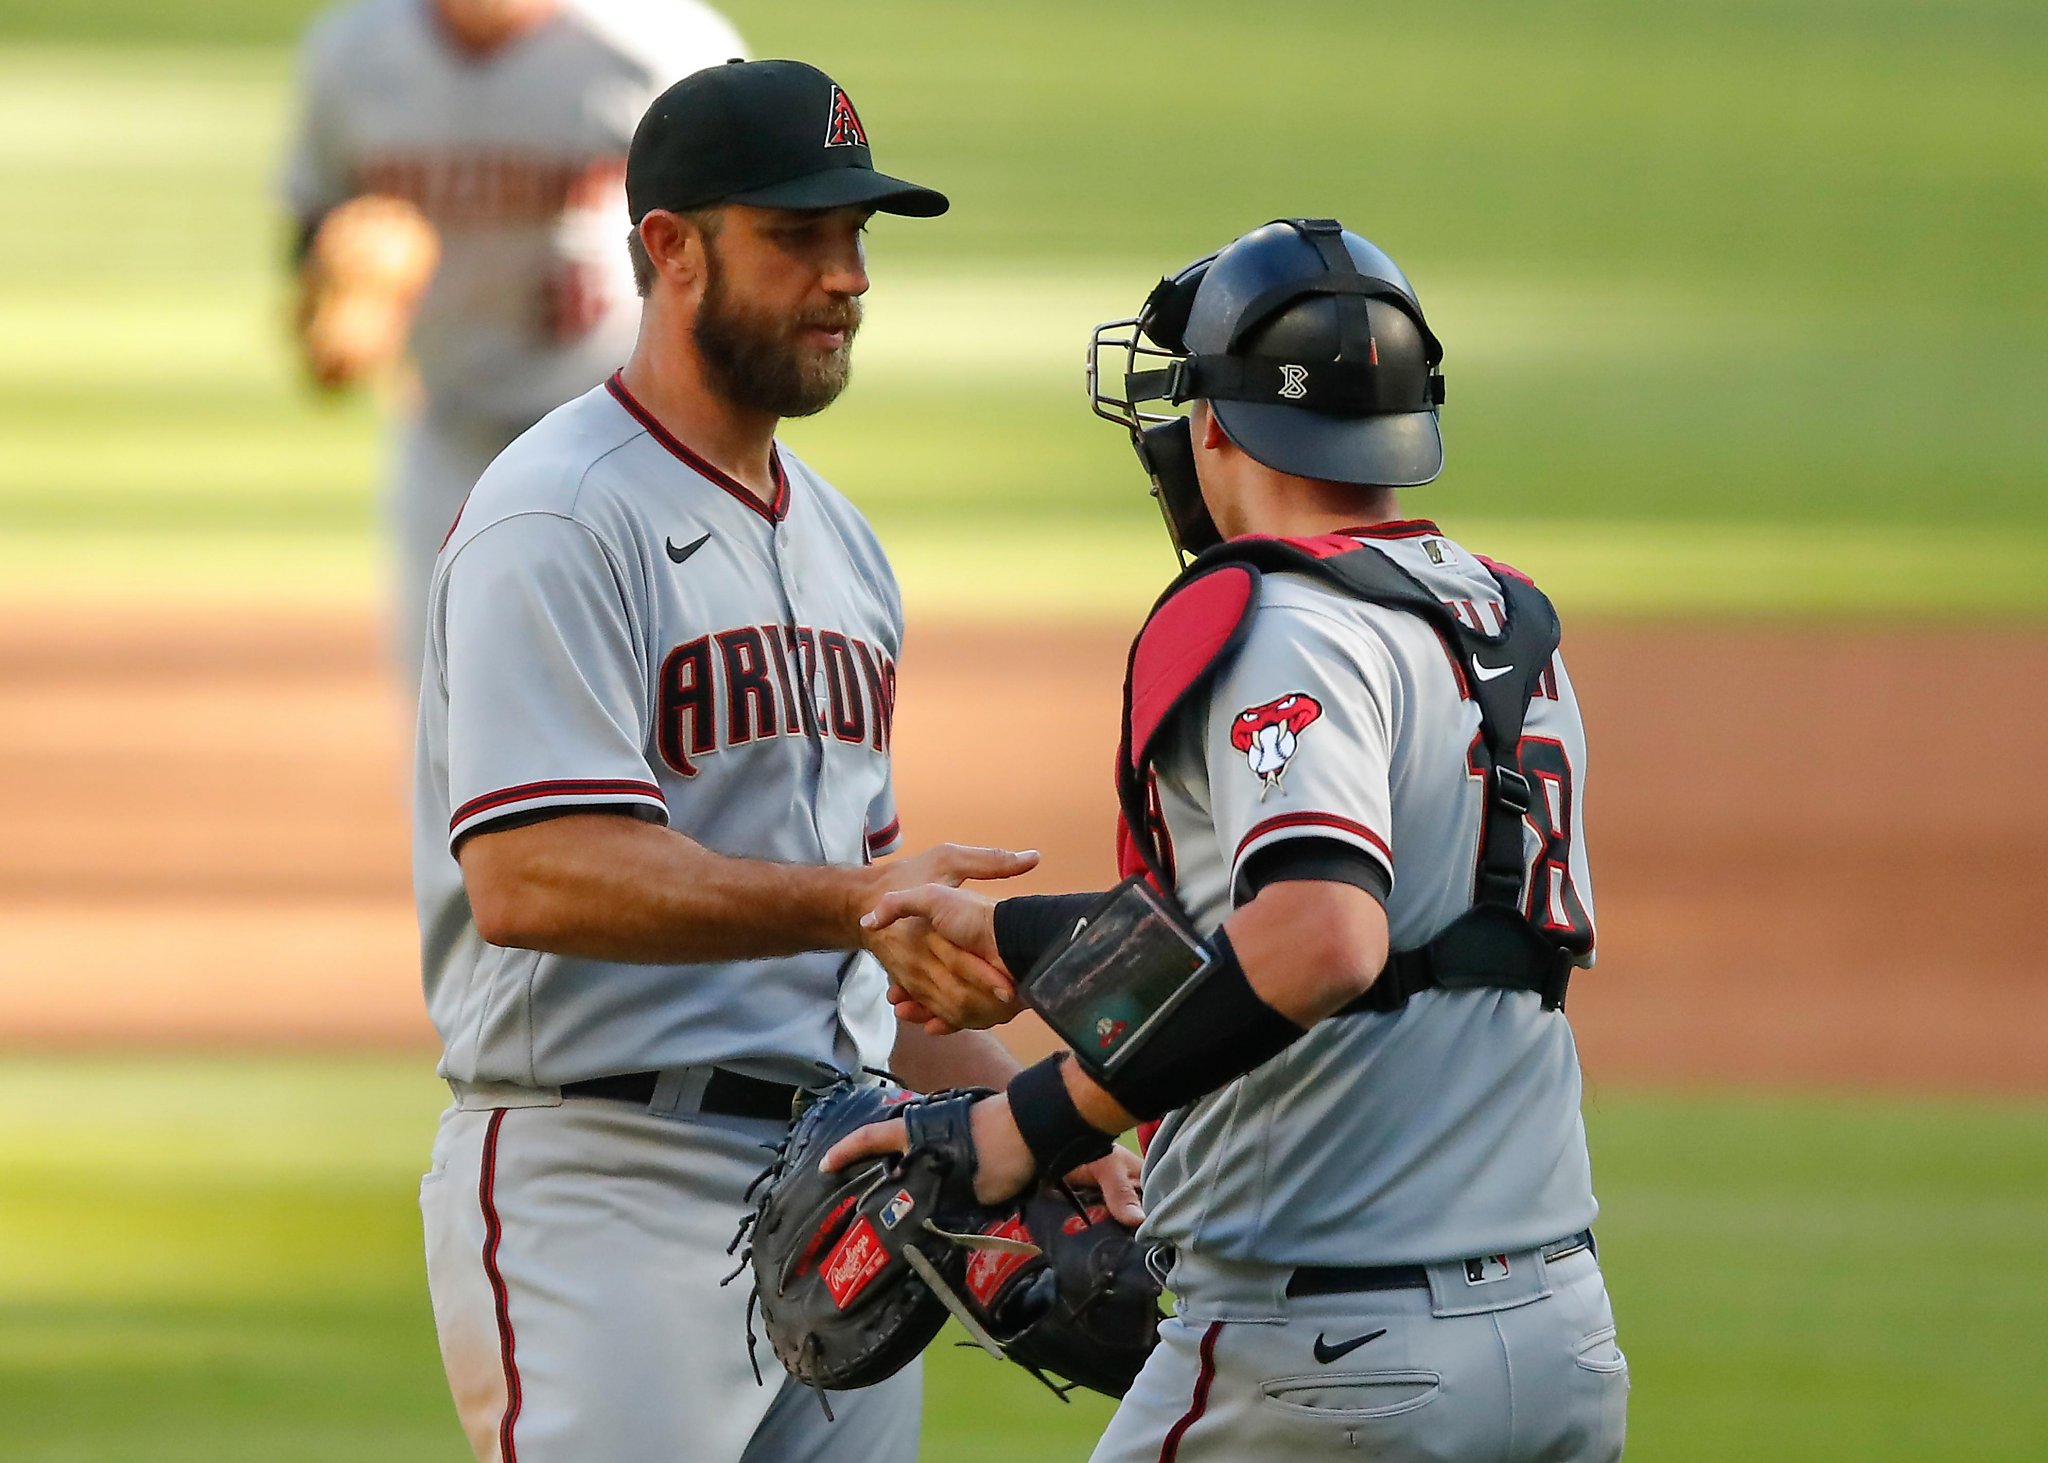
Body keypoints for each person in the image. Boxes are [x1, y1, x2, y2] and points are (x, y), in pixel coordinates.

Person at [410, 59, 1139, 1463]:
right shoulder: (558, 515)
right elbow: (532, 874)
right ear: (669, 248)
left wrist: (1026, 1117)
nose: (847, 274)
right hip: (605, 1186)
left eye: (856, 236)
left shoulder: (843, 541)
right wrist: (855, 903)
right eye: (798, 236)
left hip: (852, 1184)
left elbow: (870, 950)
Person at [830, 218, 1629, 1460]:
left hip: (1328, 1361)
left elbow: (1318, 942)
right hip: (1560, 1339)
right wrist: (1012, 936)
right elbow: (1331, 937)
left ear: (1213, 422)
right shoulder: (1499, 620)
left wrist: (1026, 1122)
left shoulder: (1275, 618)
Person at [280, 0, 745, 685]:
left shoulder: (664, 47)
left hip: (637, 439)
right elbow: (313, 216)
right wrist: (330, 281)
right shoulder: (352, 52)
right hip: (453, 440)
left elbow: (751, 243)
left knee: (664, 715)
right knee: (454, 726)